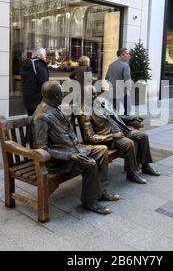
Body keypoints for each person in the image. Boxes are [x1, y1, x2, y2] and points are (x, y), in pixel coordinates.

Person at [32, 81, 120, 215]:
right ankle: (89, 201)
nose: (63, 97)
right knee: (90, 163)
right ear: (56, 96)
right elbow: (42, 149)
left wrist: (75, 150)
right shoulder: (41, 117)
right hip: (59, 161)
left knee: (102, 150)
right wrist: (69, 155)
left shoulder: (54, 107)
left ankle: (100, 191)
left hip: (75, 149)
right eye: (61, 95)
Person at [79, 87, 160, 185]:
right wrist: (113, 135)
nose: (94, 97)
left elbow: (117, 116)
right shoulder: (85, 111)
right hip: (108, 138)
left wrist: (132, 118)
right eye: (91, 95)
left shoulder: (101, 103)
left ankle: (145, 165)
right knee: (129, 143)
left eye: (95, 94)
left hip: (121, 130)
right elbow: (90, 137)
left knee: (143, 136)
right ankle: (131, 173)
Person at [20, 47, 50, 116]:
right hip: (38, 101)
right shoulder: (39, 65)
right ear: (40, 55)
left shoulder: (26, 64)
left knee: (31, 119)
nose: (46, 56)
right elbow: (45, 83)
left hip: (28, 100)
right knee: (39, 122)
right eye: (45, 54)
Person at [105, 48, 132, 116]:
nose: (129, 55)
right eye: (127, 53)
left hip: (113, 90)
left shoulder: (111, 65)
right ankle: (124, 124)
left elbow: (106, 78)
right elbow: (127, 81)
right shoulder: (125, 66)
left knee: (114, 110)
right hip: (123, 91)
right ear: (122, 55)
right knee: (128, 108)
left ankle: (115, 125)